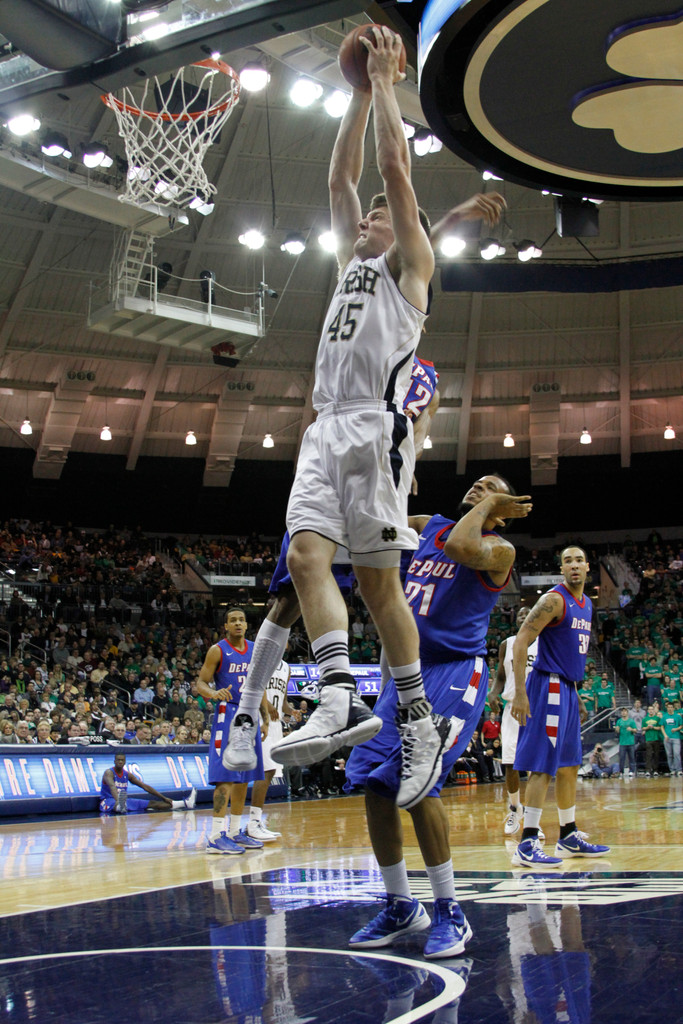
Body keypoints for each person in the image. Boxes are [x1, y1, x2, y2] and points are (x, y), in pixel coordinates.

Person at [229, 26, 505, 810]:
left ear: (407, 231)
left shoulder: (409, 269)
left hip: (375, 433)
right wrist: (353, 97)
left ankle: (414, 715)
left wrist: (386, 82)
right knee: (308, 559)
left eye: (382, 215)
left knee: (382, 593)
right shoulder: (353, 261)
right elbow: (342, 177)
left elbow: (389, 169)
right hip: (324, 429)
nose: (367, 216)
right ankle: (338, 692)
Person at [224, 355, 440, 774]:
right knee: (291, 597)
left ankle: (378, 706)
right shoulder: (367, 334)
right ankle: (247, 713)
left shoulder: (430, 373)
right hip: (337, 466)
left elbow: (425, 417)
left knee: (380, 586)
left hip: (380, 477)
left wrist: (409, 458)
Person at [344, 473, 531, 959]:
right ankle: (401, 904)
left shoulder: (500, 549)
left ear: (505, 503)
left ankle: (450, 910)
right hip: (407, 669)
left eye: (490, 484)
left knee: (417, 779)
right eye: (475, 481)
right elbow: (376, 525)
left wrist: (491, 504)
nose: (477, 484)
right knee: (375, 784)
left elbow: (462, 548)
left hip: (454, 672)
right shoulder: (430, 524)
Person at [510, 546, 610, 866]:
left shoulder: (587, 604)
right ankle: (527, 842)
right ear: (562, 569)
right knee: (543, 766)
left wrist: (576, 694)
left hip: (566, 687)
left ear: (587, 566)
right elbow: (522, 641)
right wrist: (520, 693)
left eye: (579, 560)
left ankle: (567, 836)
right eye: (568, 561)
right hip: (547, 686)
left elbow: (569, 654)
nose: (574, 565)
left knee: (569, 766)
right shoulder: (554, 600)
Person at [195, 607, 268, 855]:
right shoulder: (217, 650)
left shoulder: (255, 649)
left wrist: (266, 718)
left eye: (241, 620)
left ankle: (236, 831)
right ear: (225, 626)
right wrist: (213, 693)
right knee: (225, 776)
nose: (238, 623)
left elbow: (259, 684)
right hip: (227, 714)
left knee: (244, 777)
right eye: (232, 621)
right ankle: (216, 835)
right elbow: (200, 682)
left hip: (250, 715)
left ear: (247, 625)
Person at [489, 606, 538, 835]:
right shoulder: (506, 644)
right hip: (511, 709)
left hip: (535, 708)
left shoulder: (543, 643)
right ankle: (514, 809)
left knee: (534, 765)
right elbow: (501, 675)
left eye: (527, 613)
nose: (523, 616)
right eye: (520, 614)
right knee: (509, 762)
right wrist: (493, 692)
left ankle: (532, 819)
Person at [245, 658, 293, 842]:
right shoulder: (263, 659)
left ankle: (255, 822)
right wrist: (268, 707)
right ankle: (253, 822)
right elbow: (254, 687)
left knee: (270, 771)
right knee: (267, 770)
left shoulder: (287, 668)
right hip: (259, 718)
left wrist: (291, 711)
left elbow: (283, 701)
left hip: (276, 725)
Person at [99, 750, 196, 814]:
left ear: (125, 762)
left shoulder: (127, 774)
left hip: (124, 801)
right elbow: (112, 787)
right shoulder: (109, 773)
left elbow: (145, 787)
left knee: (154, 803)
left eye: (122, 760)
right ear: (114, 761)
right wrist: (119, 801)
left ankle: (185, 803)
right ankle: (120, 806)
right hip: (108, 801)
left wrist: (164, 797)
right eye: (118, 760)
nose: (120, 762)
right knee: (118, 804)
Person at [660, 701, 683, 776]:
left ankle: (679, 769)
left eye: (671, 707)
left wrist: (676, 729)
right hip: (667, 738)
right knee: (669, 754)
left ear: (673, 708)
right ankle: (672, 769)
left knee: (676, 753)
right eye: (668, 707)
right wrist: (665, 735)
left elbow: (681, 725)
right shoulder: (664, 716)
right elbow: (662, 726)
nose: (670, 709)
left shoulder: (678, 716)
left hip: (676, 737)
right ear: (666, 708)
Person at [615, 706, 637, 776]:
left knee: (632, 757)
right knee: (621, 758)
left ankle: (632, 771)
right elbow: (617, 731)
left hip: (630, 742)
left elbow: (636, 730)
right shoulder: (619, 721)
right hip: (622, 742)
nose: (623, 713)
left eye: (625, 711)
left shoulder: (631, 721)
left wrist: (631, 729)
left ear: (627, 713)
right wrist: (617, 729)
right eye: (622, 711)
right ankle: (621, 771)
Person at [643, 703, 663, 776]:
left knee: (656, 755)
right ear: (647, 711)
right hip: (648, 739)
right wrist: (647, 727)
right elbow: (643, 728)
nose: (651, 711)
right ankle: (648, 770)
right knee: (648, 755)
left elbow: (660, 727)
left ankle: (655, 770)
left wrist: (653, 727)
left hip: (656, 738)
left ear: (653, 710)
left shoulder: (657, 718)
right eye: (649, 709)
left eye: (652, 709)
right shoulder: (645, 719)